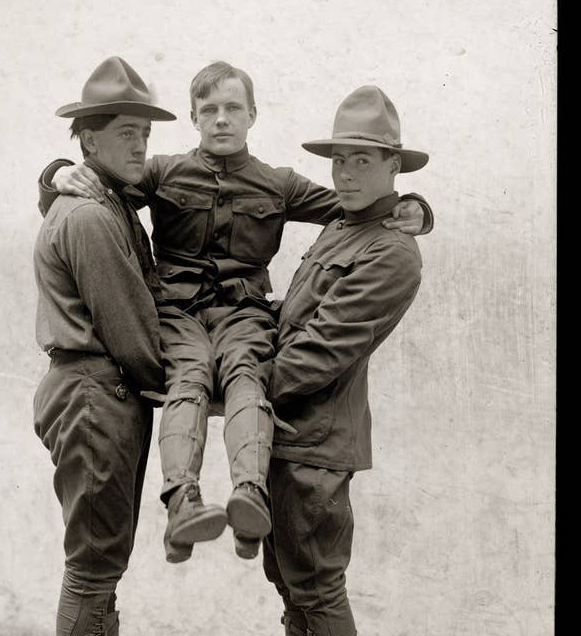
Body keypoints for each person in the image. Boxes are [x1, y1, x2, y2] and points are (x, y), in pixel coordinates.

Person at [38, 62, 434, 564]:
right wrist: (54, 173)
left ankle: (251, 497)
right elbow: (102, 186)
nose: (221, 119)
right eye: (209, 110)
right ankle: (183, 501)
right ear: (193, 118)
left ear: (252, 115)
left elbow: (355, 203)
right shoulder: (161, 173)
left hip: (245, 315)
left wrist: (416, 206)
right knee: (188, 380)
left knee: (249, 378)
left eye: (232, 109)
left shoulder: (280, 184)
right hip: (178, 315)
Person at [225, 85, 429, 636]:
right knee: (288, 585)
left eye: (363, 158)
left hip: (318, 445)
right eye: (339, 157)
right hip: (281, 438)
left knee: (318, 588)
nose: (345, 172)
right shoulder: (339, 228)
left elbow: (319, 352)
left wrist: (240, 388)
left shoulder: (392, 253)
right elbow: (290, 319)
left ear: (394, 165)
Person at [32, 56, 195, 636]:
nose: (141, 145)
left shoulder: (104, 196)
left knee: (104, 567)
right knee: (91, 572)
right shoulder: (93, 215)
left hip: (108, 396)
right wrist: (199, 390)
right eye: (127, 133)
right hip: (97, 393)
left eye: (145, 132)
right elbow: (133, 334)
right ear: (89, 139)